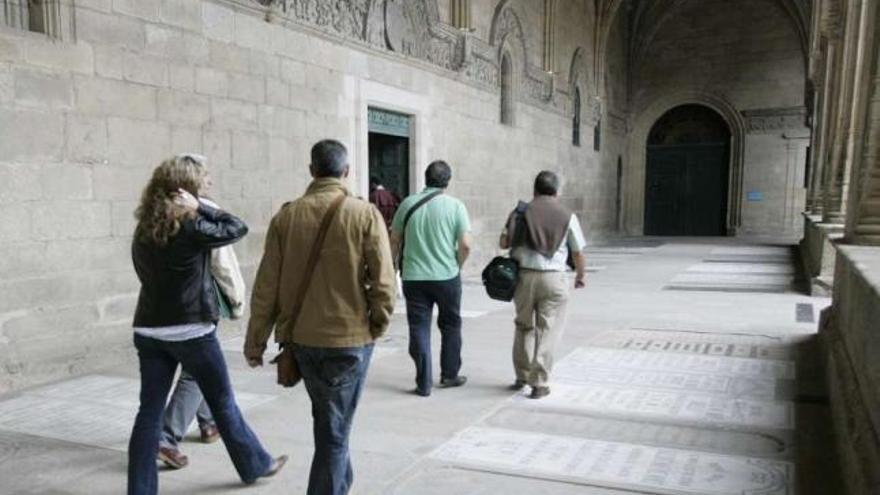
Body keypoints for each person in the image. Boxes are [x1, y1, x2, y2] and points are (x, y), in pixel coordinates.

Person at [128, 154, 286, 495]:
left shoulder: (144, 228)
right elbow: (237, 227)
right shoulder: (190, 225)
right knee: (222, 401)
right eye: (203, 181)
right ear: (187, 189)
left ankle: (140, 490)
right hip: (191, 330)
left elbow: (144, 274)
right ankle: (256, 464)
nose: (208, 184)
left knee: (149, 412)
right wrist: (201, 207)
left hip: (149, 330)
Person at [245, 139, 396, 495]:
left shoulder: (287, 215)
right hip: (349, 339)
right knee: (334, 431)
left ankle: (342, 483)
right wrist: (377, 323)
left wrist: (256, 340)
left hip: (303, 340)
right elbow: (385, 282)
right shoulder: (364, 214)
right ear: (346, 171)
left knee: (330, 422)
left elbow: (266, 286)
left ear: (311, 170)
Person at [156, 190, 247, 470]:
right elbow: (222, 261)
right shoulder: (203, 210)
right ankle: (165, 438)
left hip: (169, 301)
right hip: (199, 303)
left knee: (204, 366)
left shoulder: (159, 210)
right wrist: (237, 296)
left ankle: (208, 423)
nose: (210, 180)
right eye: (205, 176)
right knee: (197, 371)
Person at [499, 171, 586, 399]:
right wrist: (580, 275)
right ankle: (539, 383)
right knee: (547, 330)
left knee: (523, 326)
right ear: (556, 192)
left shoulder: (519, 211)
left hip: (523, 277)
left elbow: (503, 242)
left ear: (534, 190)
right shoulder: (568, 216)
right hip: (554, 278)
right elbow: (577, 252)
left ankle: (521, 376)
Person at [390, 160, 472, 397]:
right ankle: (449, 374)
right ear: (448, 181)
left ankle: (423, 381)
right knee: (451, 325)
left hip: (414, 278)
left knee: (419, 326)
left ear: (425, 179)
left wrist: (392, 267)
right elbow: (466, 244)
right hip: (447, 276)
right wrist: (457, 265)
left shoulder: (407, 204)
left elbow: (394, 239)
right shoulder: (456, 206)